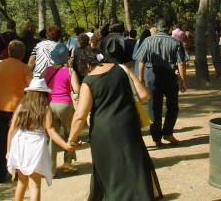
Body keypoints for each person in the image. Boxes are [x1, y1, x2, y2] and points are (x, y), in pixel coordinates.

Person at [67, 47, 163, 200]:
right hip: (128, 123)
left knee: (110, 167)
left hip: (103, 129)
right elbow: (144, 95)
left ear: (87, 65)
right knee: (134, 162)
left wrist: (71, 140)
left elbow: (80, 115)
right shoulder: (122, 69)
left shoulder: (89, 81)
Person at [6, 78, 73, 201]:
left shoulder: (21, 107)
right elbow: (51, 131)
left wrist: (8, 151)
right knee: (35, 185)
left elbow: (12, 130)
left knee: (21, 182)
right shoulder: (46, 109)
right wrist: (66, 145)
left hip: (20, 143)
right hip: (36, 145)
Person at [134, 18, 189, 147]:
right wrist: (183, 81)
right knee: (172, 105)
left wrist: (141, 79)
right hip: (169, 76)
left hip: (152, 76)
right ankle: (168, 132)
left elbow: (141, 61)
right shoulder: (176, 42)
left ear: (157, 28)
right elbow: (181, 63)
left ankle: (156, 138)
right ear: (169, 29)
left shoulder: (147, 41)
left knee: (154, 108)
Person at [0, 40, 32, 183]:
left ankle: (0, 174)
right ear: (23, 54)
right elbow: (32, 87)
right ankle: (17, 172)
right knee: (18, 142)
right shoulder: (24, 68)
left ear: (9, 52)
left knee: (0, 142)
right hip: (18, 110)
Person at [43, 43, 81, 177]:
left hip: (49, 105)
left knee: (52, 135)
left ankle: (51, 168)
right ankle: (67, 163)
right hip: (65, 104)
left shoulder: (46, 71)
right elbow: (77, 89)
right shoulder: (70, 71)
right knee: (71, 133)